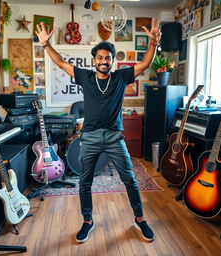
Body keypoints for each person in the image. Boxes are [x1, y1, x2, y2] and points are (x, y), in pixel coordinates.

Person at [35, 18, 161, 243]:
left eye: (108, 58)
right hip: (90, 138)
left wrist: (152, 44)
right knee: (85, 181)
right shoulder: (85, 76)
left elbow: (144, 65)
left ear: (113, 61)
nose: (104, 61)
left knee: (130, 179)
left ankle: (140, 219)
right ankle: (87, 221)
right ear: (94, 60)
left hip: (114, 137)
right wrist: (46, 45)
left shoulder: (121, 77)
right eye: (100, 57)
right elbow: (61, 63)